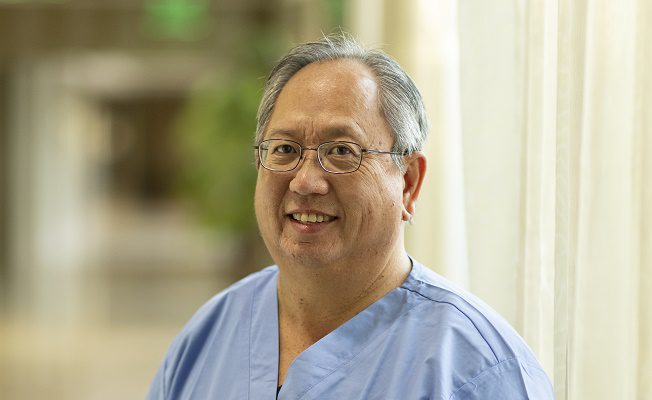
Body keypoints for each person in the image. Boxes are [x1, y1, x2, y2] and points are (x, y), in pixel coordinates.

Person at [147, 34, 554, 400]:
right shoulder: (209, 336)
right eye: (285, 150)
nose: (305, 182)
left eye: (342, 151)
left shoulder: (479, 373)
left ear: (408, 183)